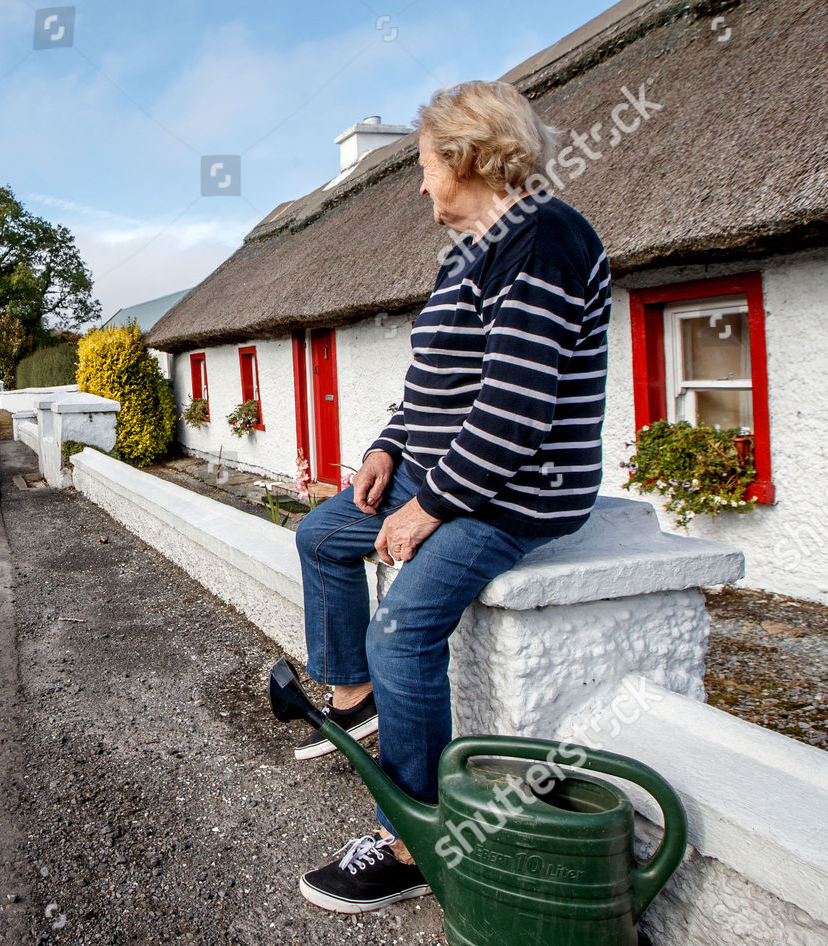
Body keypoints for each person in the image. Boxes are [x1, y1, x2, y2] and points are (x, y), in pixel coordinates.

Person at [291, 80, 612, 914]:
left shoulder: (543, 237)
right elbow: (434, 383)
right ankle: (356, 701)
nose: (420, 183)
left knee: (403, 637)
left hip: (510, 495)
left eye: (427, 164)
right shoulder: (472, 251)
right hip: (432, 468)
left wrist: (428, 505)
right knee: (323, 537)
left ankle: (414, 842)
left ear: (466, 157)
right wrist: (386, 446)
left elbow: (514, 411)